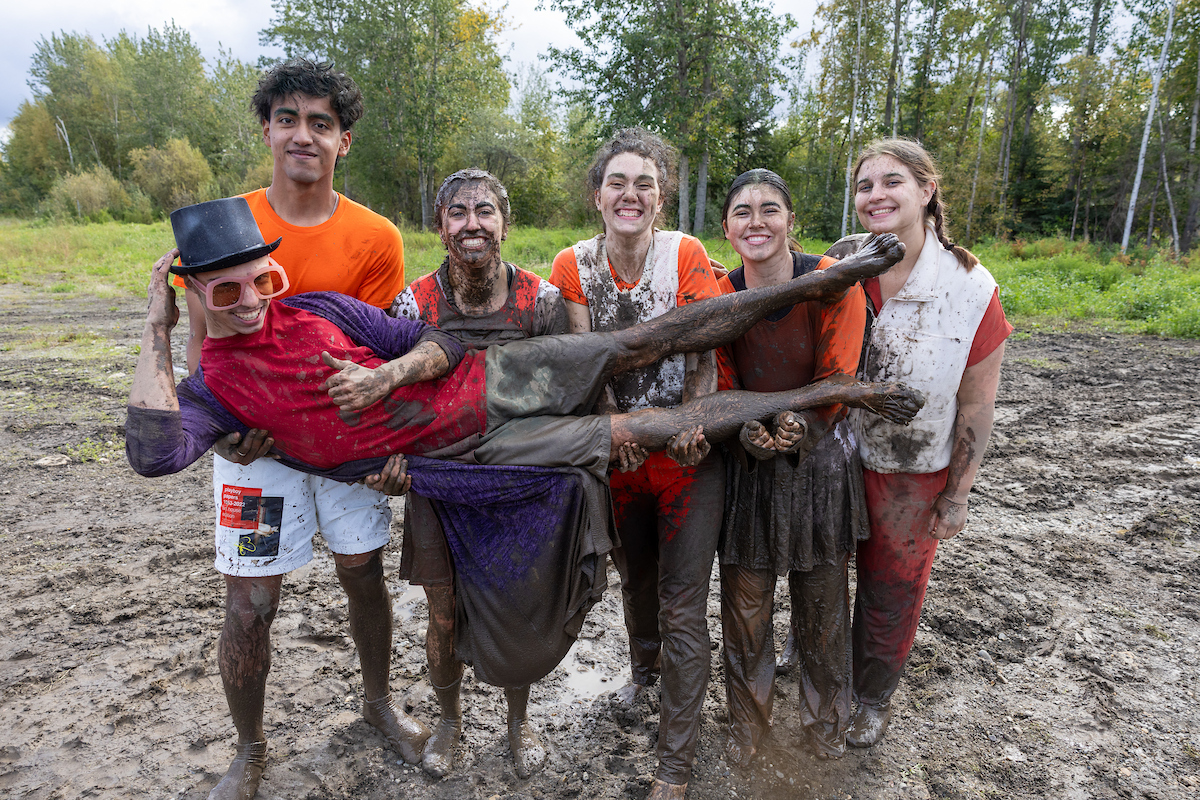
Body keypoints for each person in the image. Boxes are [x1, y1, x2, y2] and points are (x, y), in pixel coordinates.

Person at [172, 58, 414, 800]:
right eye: (287, 119)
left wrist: (392, 443)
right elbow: (202, 347)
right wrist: (218, 435)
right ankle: (249, 751)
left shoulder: (376, 238)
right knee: (250, 601)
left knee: (362, 574)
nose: (302, 135)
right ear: (268, 130)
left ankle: (377, 705)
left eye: (320, 123)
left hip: (346, 443)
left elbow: (381, 354)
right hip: (254, 455)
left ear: (345, 141)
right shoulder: (225, 222)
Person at [549, 127, 722, 800]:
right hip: (618, 454)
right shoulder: (574, 264)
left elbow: (707, 345)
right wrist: (611, 425)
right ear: (598, 196)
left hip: (686, 454)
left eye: (644, 183)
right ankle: (645, 674)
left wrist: (694, 421)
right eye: (617, 182)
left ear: (661, 195)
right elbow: (581, 357)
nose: (630, 193)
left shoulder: (686, 253)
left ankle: (675, 767)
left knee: (685, 602)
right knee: (636, 578)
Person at [389, 169, 568, 779]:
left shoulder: (540, 302)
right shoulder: (412, 304)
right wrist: (394, 465)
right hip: (440, 484)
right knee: (443, 611)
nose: (473, 225)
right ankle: (450, 719)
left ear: (504, 224)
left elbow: (561, 396)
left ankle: (519, 723)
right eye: (458, 213)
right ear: (440, 226)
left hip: (516, 481)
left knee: (517, 601)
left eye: (485, 212)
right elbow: (397, 403)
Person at [844, 138, 1012, 747]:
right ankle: (823, 668)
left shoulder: (968, 286)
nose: (877, 195)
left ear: (926, 190)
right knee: (825, 573)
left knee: (892, 585)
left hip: (911, 467)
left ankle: (871, 695)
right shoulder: (840, 265)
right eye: (865, 186)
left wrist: (959, 491)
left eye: (892, 182)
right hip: (835, 457)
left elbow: (976, 401)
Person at [714, 169, 870, 765]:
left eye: (770, 209)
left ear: (791, 222)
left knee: (822, 605)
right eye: (743, 212)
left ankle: (826, 721)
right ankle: (747, 727)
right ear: (727, 229)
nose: (757, 221)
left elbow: (839, 375)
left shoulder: (831, 281)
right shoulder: (720, 291)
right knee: (745, 607)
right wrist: (744, 428)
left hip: (821, 458)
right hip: (749, 464)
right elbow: (720, 375)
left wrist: (802, 420)